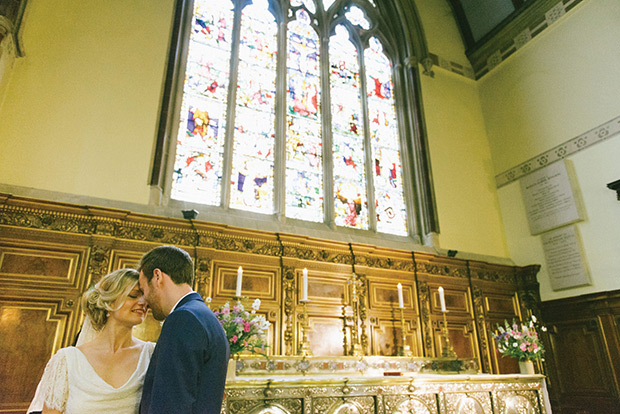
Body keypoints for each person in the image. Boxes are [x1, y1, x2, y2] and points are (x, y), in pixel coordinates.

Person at [28, 269, 154, 414]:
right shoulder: (67, 360)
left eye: (145, 297)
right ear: (109, 302)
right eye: (133, 295)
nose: (143, 302)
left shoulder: (152, 354)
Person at [138, 245, 229, 414]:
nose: (145, 300)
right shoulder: (204, 316)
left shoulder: (183, 319)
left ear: (157, 277)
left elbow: (170, 404)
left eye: (144, 290)